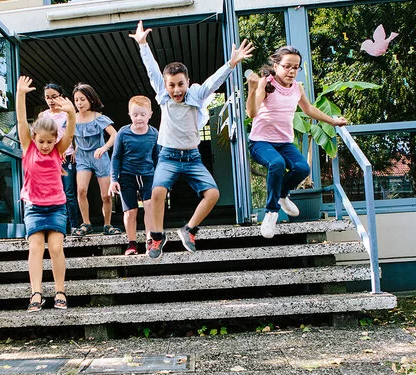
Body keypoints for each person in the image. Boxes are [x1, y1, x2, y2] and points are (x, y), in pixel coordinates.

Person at [130, 21, 255, 259]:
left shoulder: (196, 94)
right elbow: (152, 71)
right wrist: (143, 44)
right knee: (157, 192)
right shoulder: (163, 95)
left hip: (192, 157)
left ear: (187, 82)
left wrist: (232, 63)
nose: (176, 90)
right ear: (166, 86)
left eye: (180, 84)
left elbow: (213, 82)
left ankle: (189, 229)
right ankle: (156, 237)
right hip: (168, 155)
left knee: (213, 194)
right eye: (172, 85)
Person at [246, 46, 347, 238]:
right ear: (276, 66)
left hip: (284, 143)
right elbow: (251, 113)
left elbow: (308, 109)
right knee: (277, 164)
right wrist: (252, 89)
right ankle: (271, 212)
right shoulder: (265, 83)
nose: (292, 71)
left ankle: (283, 194)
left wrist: (333, 121)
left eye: (296, 67)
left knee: (302, 168)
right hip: (260, 142)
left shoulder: (297, 87)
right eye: (287, 66)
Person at [16, 75, 76, 312]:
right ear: (35, 138)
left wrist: (71, 115)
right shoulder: (28, 148)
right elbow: (22, 121)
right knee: (35, 248)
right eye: (41, 141)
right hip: (33, 206)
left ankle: (60, 291)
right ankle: (36, 294)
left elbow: (69, 135)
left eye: (49, 142)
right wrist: (21, 95)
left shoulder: (56, 151)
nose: (45, 146)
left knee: (56, 248)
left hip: (56, 206)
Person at [109, 95, 159, 256]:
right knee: (130, 211)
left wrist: (161, 180)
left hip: (148, 175)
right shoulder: (123, 133)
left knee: (150, 206)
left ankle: (150, 241)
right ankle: (131, 243)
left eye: (143, 114)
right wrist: (113, 179)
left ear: (150, 114)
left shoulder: (154, 133)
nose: (139, 118)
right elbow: (116, 157)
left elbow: (157, 158)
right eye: (135, 114)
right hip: (127, 175)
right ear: (130, 115)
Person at [71, 83, 122, 237]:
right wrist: (72, 149)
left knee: (105, 195)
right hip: (82, 158)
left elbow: (115, 135)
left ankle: (107, 224)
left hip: (99, 156)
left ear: (91, 100)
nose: (79, 103)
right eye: (76, 100)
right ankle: (86, 223)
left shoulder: (98, 117)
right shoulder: (72, 118)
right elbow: (68, 136)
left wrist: (104, 148)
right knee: (81, 190)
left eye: (82, 99)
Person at [39, 83, 80, 234]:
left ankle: (74, 225)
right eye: (47, 97)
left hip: (67, 158)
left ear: (61, 97)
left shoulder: (68, 113)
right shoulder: (43, 115)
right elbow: (38, 137)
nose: (51, 100)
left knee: (68, 192)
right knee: (51, 193)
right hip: (50, 160)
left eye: (54, 97)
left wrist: (75, 149)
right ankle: (56, 226)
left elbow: (76, 134)